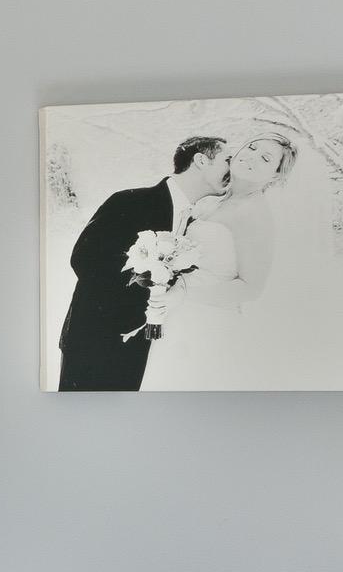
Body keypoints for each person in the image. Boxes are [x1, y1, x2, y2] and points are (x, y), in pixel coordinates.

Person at [57, 135, 228, 391]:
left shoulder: (196, 222)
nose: (232, 169)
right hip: (96, 342)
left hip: (140, 347)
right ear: (201, 160)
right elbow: (84, 259)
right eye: (227, 160)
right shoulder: (130, 201)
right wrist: (147, 278)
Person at [144, 132, 304, 390]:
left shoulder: (255, 214)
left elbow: (251, 288)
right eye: (251, 147)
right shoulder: (210, 200)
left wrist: (184, 293)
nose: (251, 157)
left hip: (209, 322)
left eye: (265, 159)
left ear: (275, 176)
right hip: (174, 315)